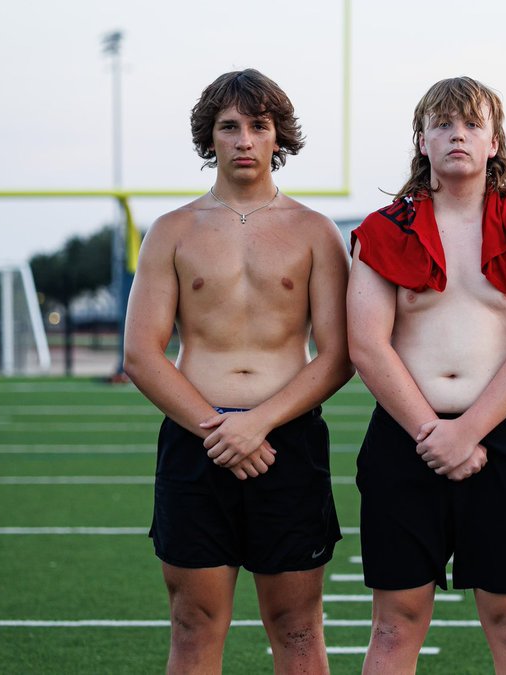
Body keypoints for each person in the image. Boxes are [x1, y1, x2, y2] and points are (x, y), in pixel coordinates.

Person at [123, 68, 353, 673]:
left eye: (259, 125)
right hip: (196, 443)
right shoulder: (172, 231)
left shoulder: (315, 231)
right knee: (194, 624)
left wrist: (258, 424)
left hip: (288, 443)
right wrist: (216, 428)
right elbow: (142, 353)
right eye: (230, 126)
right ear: (210, 138)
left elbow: (338, 354)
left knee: (298, 628)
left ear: (279, 137)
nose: (244, 139)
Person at [347, 76, 506, 674]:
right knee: (395, 623)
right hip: (405, 436)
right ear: (421, 140)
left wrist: (467, 431)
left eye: (472, 125)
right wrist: (432, 431)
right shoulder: (383, 229)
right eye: (442, 124)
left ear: (495, 141)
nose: (457, 136)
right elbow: (367, 345)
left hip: (501, 439)